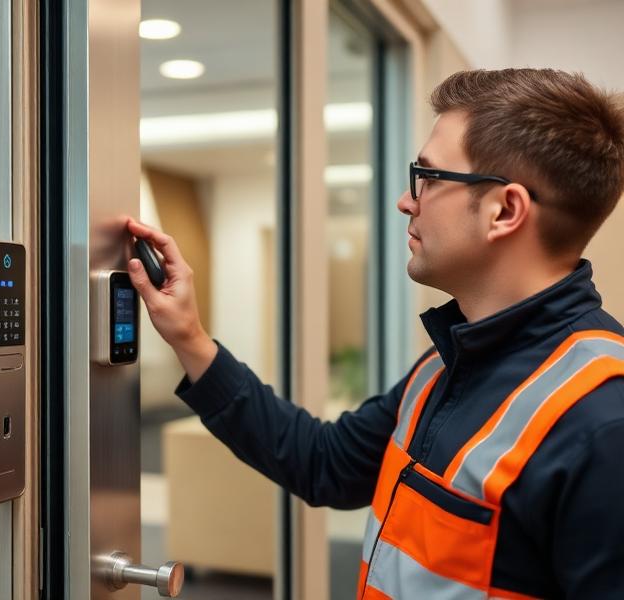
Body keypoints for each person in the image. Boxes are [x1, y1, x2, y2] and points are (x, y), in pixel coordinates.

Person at [126, 69, 624, 599]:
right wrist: (189, 336)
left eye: (428, 178)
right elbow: (324, 462)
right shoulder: (445, 365)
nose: (407, 201)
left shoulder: (602, 422)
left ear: (504, 210)